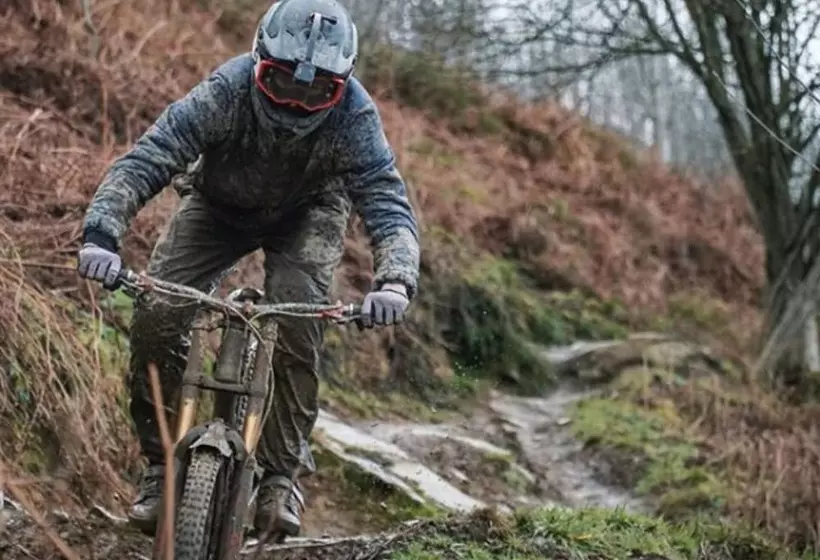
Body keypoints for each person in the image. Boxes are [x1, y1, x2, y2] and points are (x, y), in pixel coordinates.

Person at [76, 0, 420, 538]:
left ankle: (281, 477)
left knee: (300, 321)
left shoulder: (354, 115)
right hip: (216, 206)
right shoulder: (226, 89)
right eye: (281, 84)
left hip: (308, 215)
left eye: (317, 92)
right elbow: (151, 157)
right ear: (257, 63)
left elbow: (385, 200)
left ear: (342, 85)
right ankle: (161, 464)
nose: (297, 104)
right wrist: (101, 235)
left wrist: (396, 279)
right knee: (159, 311)